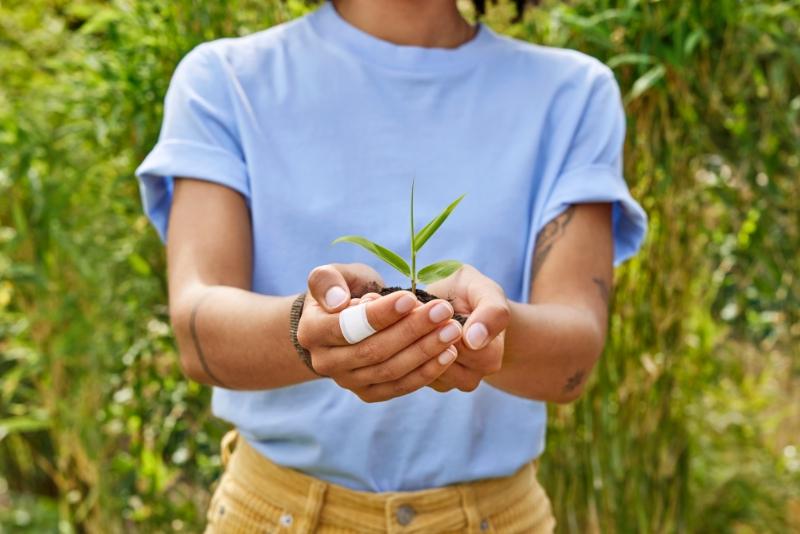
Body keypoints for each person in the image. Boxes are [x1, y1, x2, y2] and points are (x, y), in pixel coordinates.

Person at [135, 0, 647, 531]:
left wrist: (484, 331)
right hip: (274, 512)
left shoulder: (573, 93)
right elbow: (197, 332)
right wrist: (304, 329)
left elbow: (575, 356)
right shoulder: (224, 80)